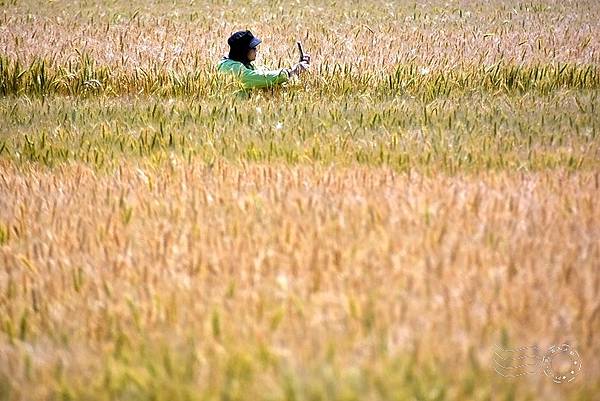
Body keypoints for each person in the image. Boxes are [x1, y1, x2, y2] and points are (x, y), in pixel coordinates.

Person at [217, 30, 310, 90]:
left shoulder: (246, 64)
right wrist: (291, 72)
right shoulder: (230, 67)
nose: (256, 50)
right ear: (244, 51)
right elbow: (258, 78)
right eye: (253, 48)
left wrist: (298, 70)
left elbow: (268, 76)